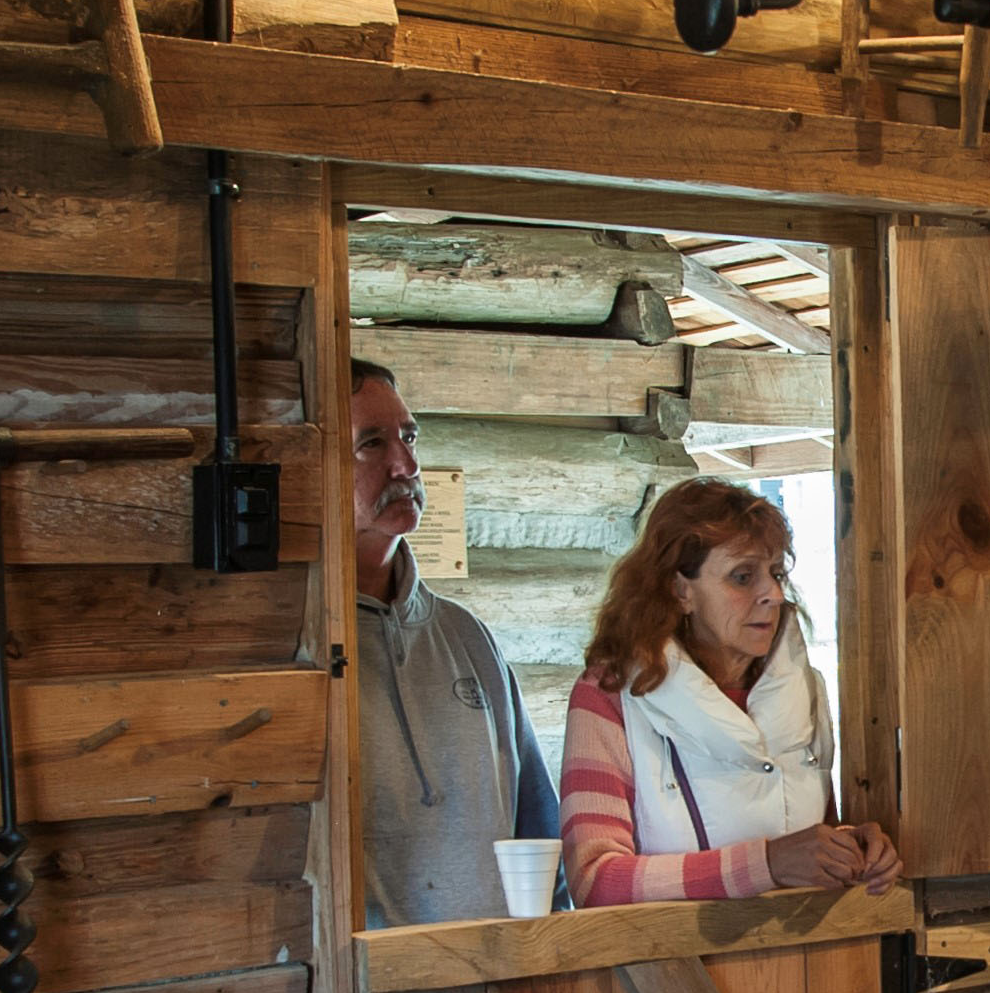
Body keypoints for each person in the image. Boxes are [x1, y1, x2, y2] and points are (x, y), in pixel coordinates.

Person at [560, 478, 903, 902]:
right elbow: (596, 880)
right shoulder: (609, 697)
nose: (773, 595)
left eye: (776, 573)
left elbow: (808, 837)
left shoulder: (804, 688)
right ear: (681, 590)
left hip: (808, 965)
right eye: (743, 577)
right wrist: (767, 865)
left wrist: (852, 851)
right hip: (677, 967)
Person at [349, 359, 564, 926]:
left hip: (496, 991)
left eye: (409, 436)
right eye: (371, 444)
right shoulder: (303, 652)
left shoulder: (467, 638)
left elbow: (538, 827)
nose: (407, 464)